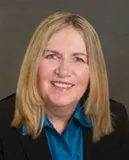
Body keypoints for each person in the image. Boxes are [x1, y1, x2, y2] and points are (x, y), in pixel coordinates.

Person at [0, 11, 129, 160]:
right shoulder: (2, 123)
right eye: (52, 56)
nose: (63, 71)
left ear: (93, 69)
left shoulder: (116, 116)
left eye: (78, 59)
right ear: (33, 64)